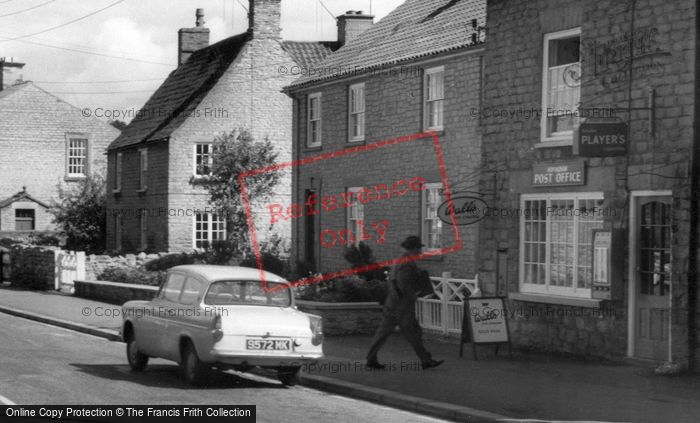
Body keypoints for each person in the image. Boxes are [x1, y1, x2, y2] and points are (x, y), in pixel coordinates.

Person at [365, 235, 444, 370]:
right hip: (402, 306)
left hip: (392, 303)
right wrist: (414, 294)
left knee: (383, 333)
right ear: (413, 249)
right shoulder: (407, 263)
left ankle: (371, 358)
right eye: (418, 248)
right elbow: (403, 285)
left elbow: (393, 281)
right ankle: (426, 360)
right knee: (414, 333)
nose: (420, 252)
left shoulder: (400, 261)